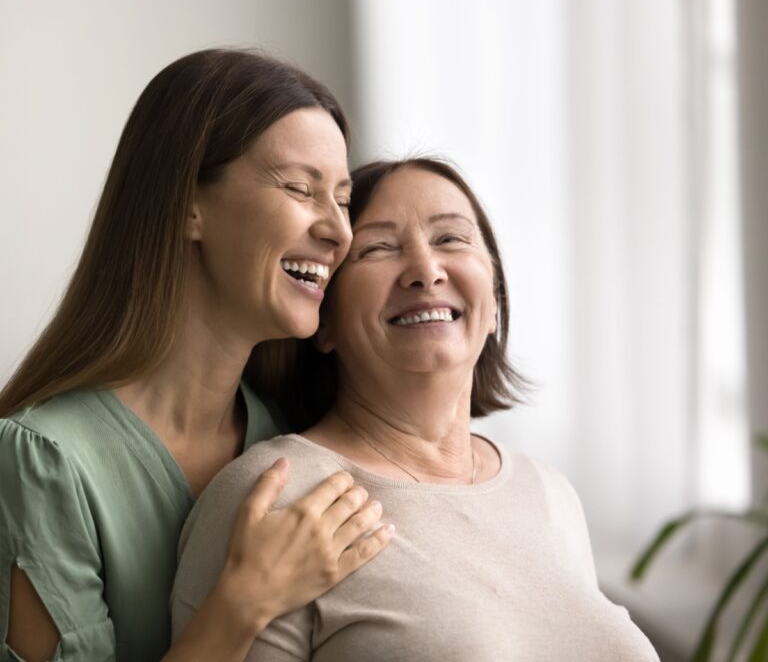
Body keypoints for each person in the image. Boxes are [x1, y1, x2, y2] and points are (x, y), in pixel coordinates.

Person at [0, 49, 395, 662]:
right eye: (300, 189)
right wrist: (242, 603)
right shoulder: (41, 463)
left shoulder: (292, 435)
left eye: (342, 199)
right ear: (187, 206)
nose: (339, 230)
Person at [171, 157, 660, 661]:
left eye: (451, 239)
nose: (426, 271)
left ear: (494, 298)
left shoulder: (552, 494)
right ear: (324, 318)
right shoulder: (280, 493)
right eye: (377, 248)